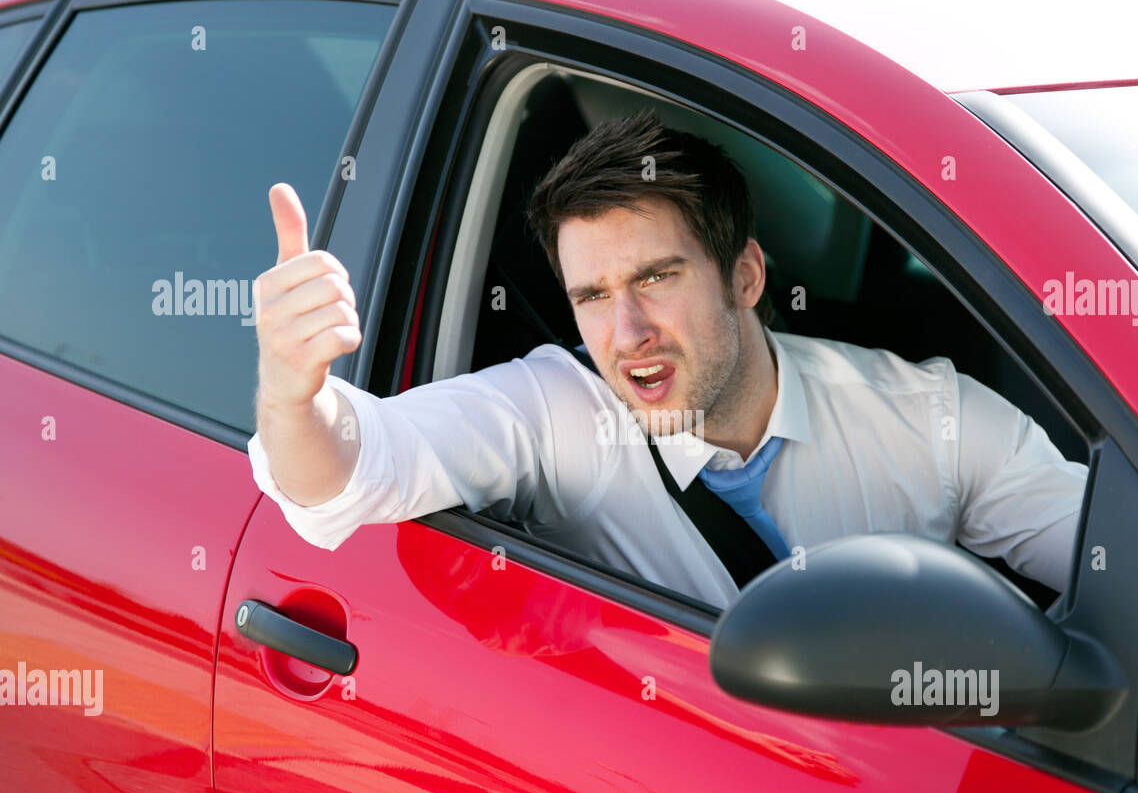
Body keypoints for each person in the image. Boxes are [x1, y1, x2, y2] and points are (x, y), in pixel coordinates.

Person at [248, 110, 1087, 609]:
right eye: (593, 297)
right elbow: (353, 472)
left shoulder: (930, 419)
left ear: (746, 275)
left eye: (656, 278)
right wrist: (293, 397)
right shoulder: (550, 409)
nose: (627, 331)